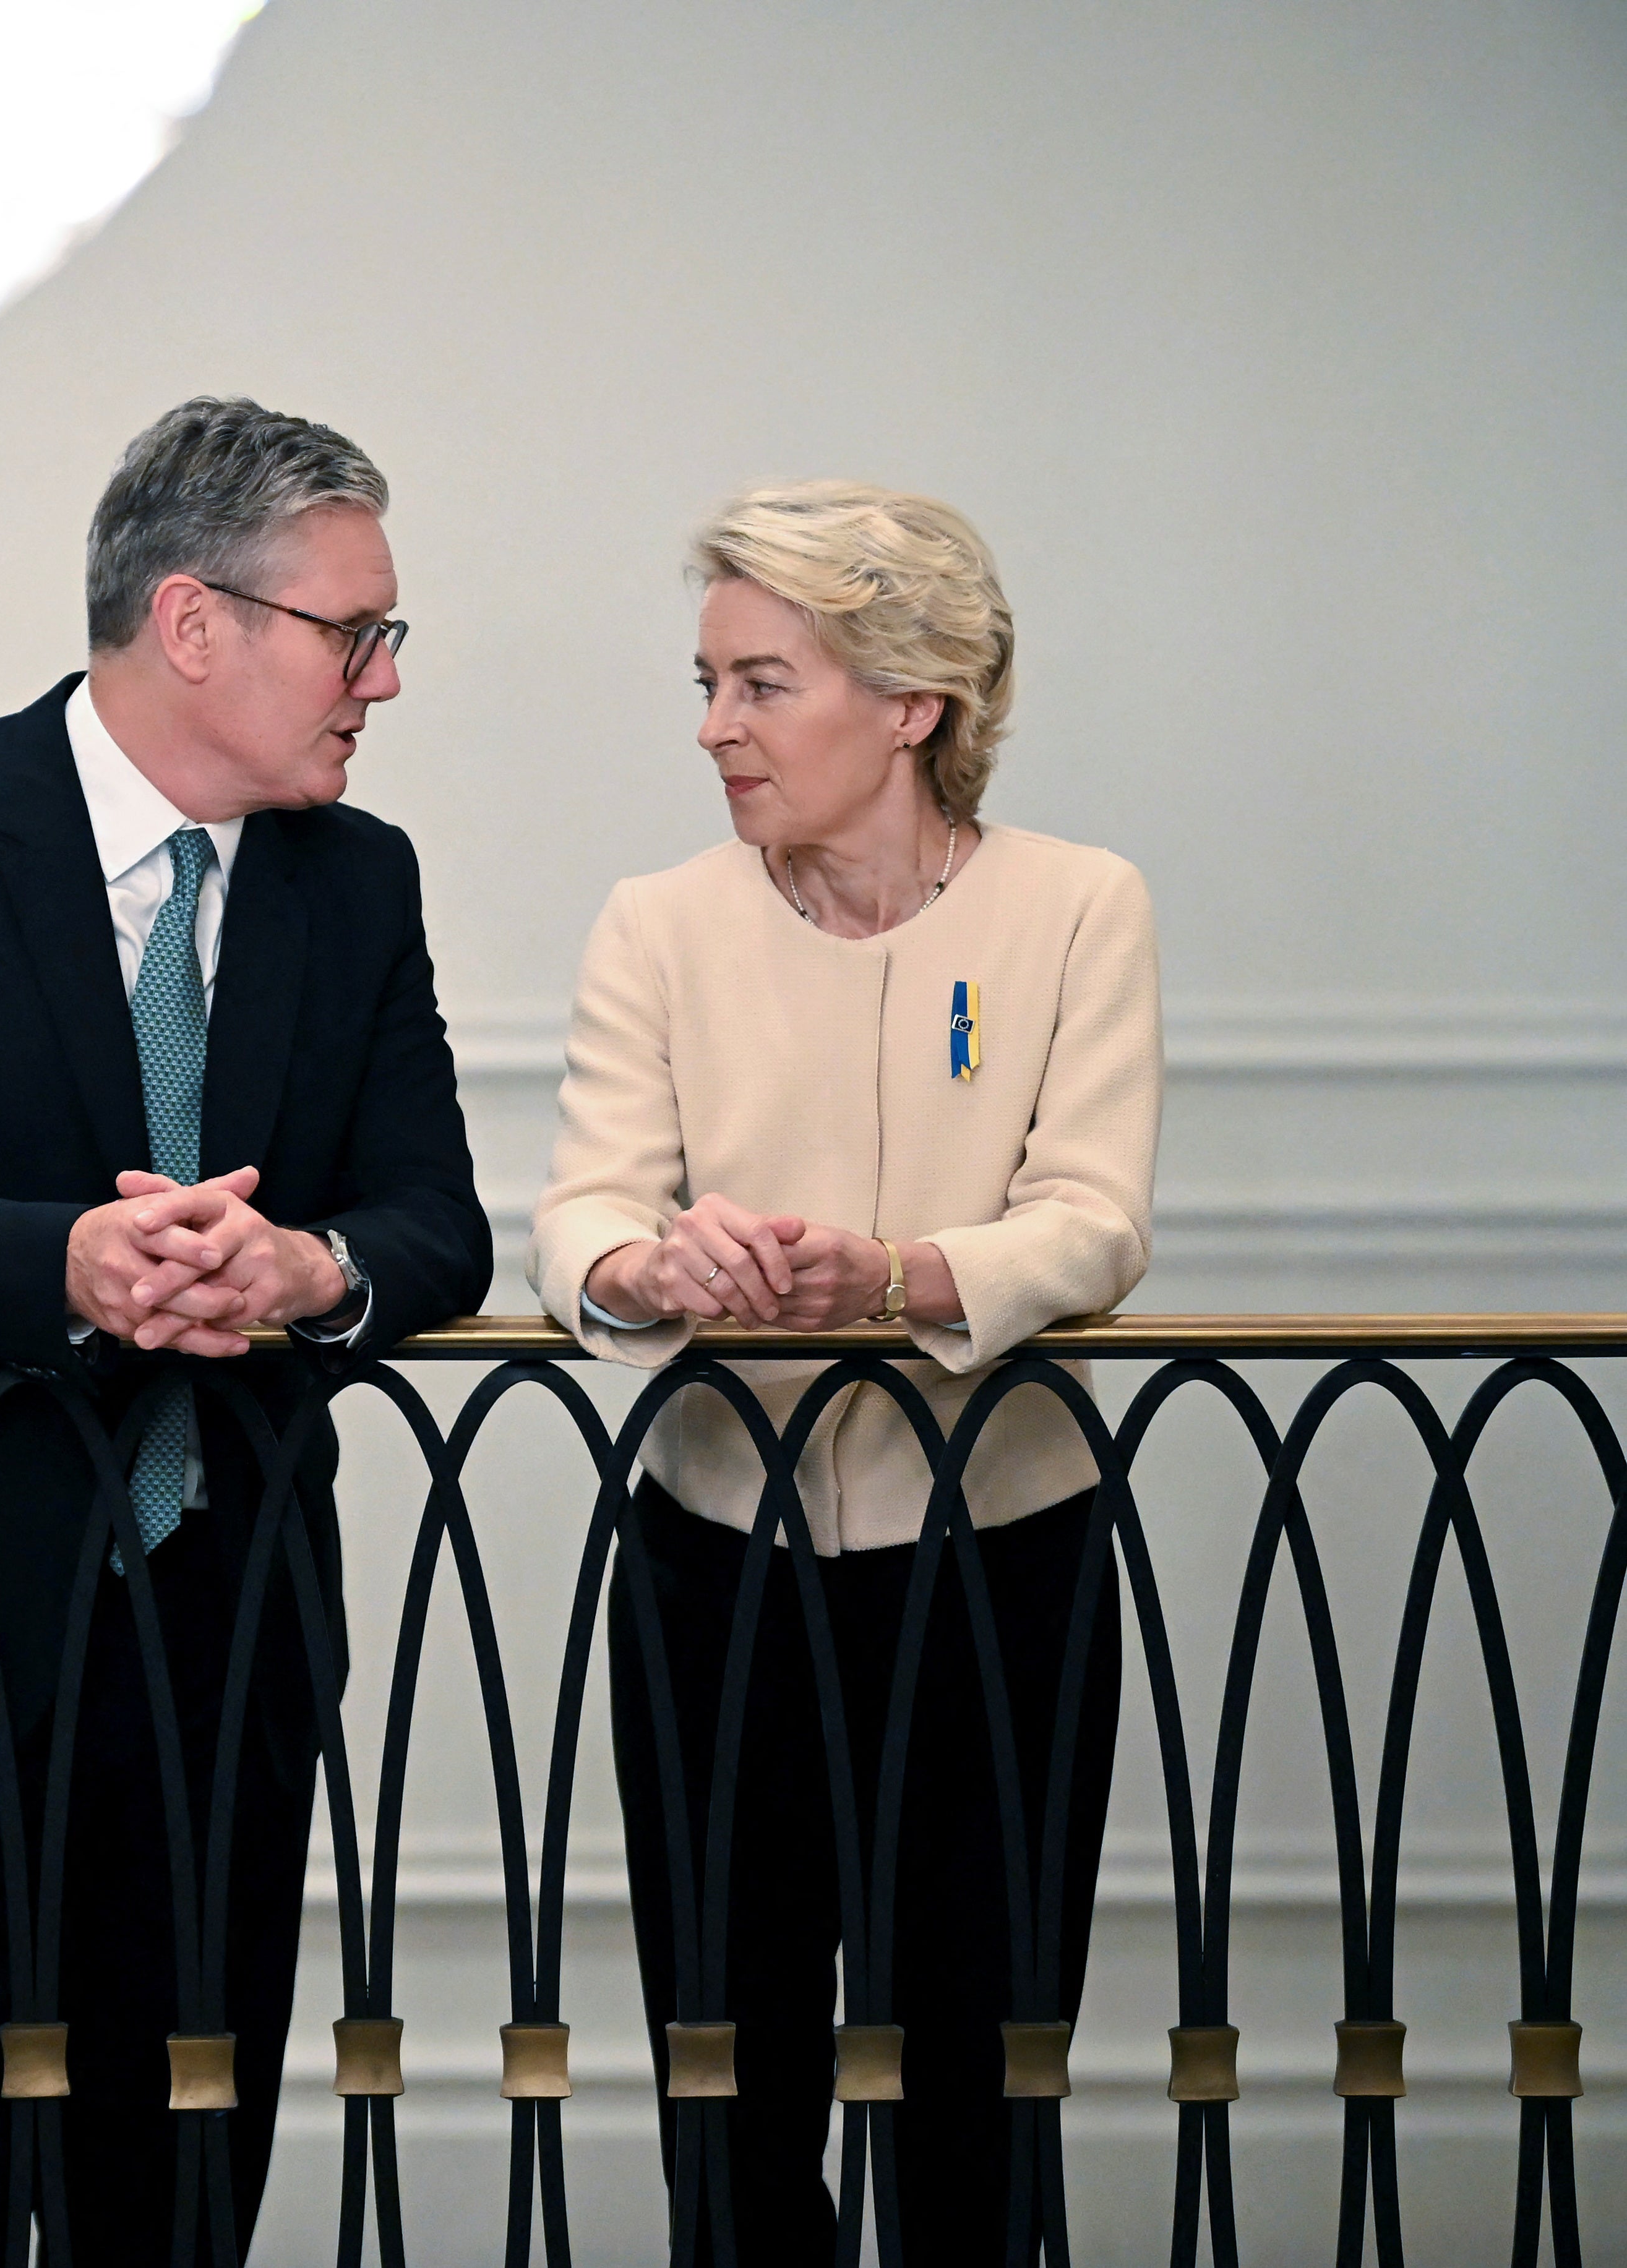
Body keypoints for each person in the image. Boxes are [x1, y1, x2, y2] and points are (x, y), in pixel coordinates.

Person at [0, 397, 492, 2267]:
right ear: (191, 620)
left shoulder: (354, 882)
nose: (380, 680)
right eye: (351, 633)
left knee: (187, 2185)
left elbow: (433, 1222)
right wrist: (62, 1260)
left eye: (387, 637)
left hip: (227, 1622)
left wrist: (301, 1271)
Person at [527, 481, 1158, 2265]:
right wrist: (649, 1262)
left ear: (909, 702)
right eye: (708, 682)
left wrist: (892, 1276)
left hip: (1003, 1568)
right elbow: (580, 1204)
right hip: (713, 1568)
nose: (712, 727)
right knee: (727, 2087)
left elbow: (1095, 1216)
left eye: (759, 683)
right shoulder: (657, 920)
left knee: (979, 2074)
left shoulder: (1077, 907)